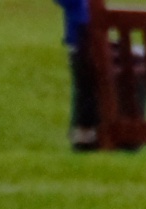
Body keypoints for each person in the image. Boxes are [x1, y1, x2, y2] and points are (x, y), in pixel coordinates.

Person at [57, 0, 101, 150]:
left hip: (79, 37)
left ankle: (84, 131)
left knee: (85, 86)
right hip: (86, 35)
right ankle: (87, 131)